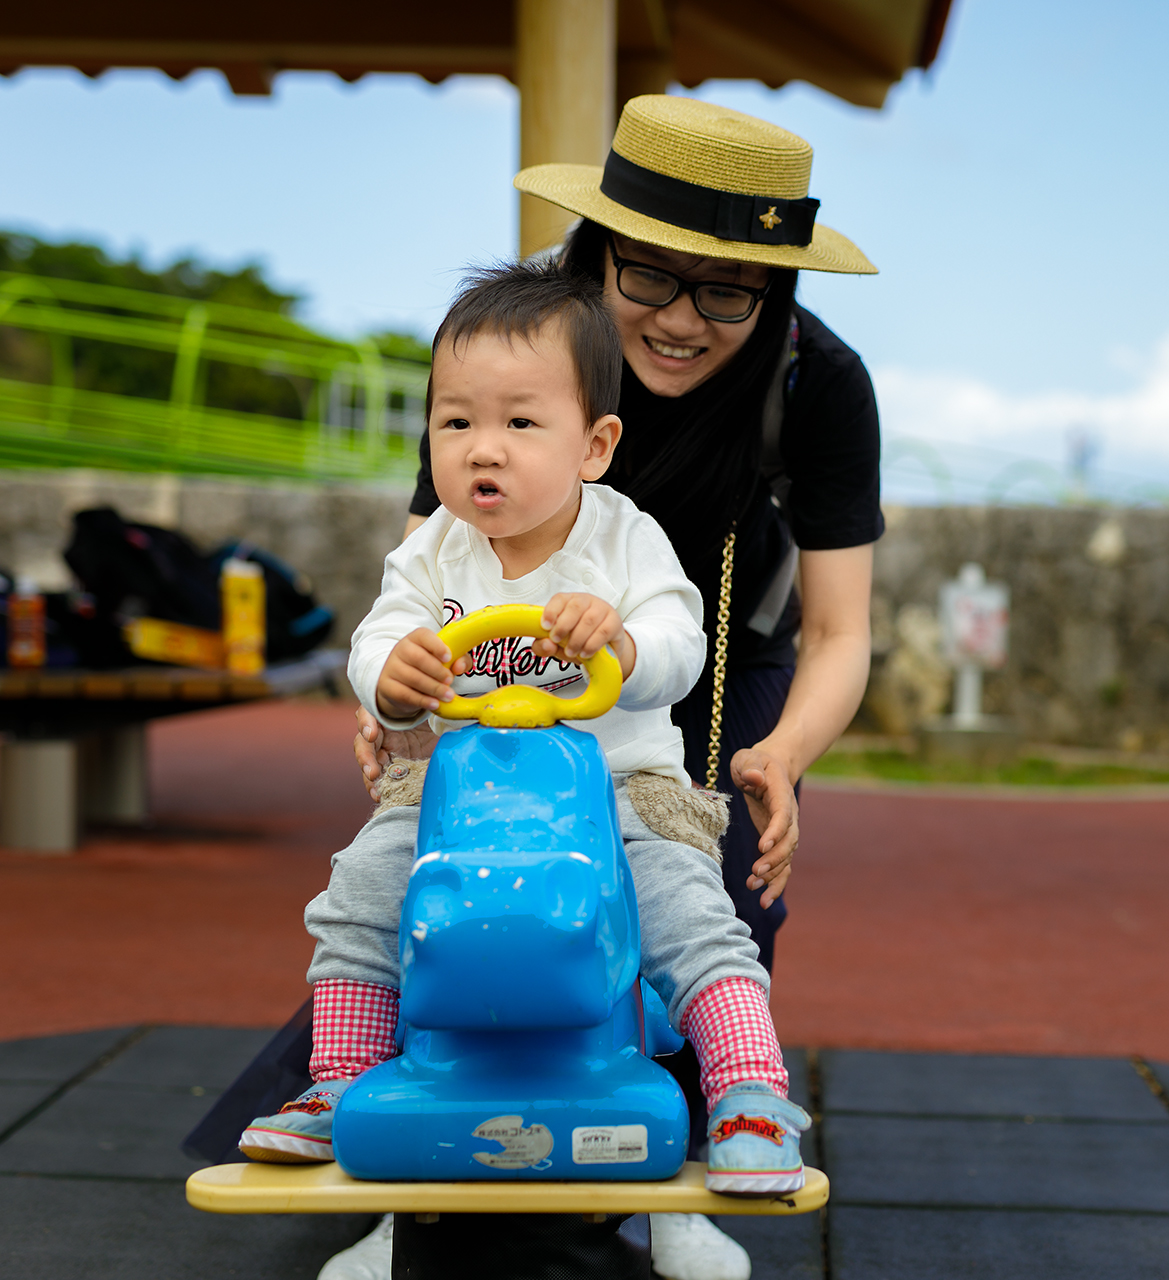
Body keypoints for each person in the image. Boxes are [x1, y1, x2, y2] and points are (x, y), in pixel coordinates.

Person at [350, 95, 881, 1280]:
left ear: (776, 290)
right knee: (455, 873)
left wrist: (783, 750)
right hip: (506, 641)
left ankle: (683, 1174)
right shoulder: (512, 340)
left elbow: (845, 627)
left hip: (711, 647)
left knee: (709, 898)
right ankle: (416, 1165)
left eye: (729, 290)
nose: (684, 320)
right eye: (648, 278)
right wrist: (385, 692)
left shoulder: (818, 381)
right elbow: (426, 550)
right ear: (598, 251)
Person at [239, 260, 810, 1198]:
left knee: (689, 908)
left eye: (518, 423)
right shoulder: (431, 551)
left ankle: (749, 1088)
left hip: (620, 783)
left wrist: (621, 642)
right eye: (455, 421)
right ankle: (339, 1079)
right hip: (461, 784)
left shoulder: (625, 539)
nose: (482, 449)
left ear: (594, 444)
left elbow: (683, 641)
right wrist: (391, 676)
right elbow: (377, 638)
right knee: (363, 890)